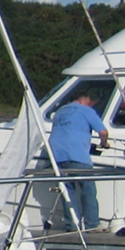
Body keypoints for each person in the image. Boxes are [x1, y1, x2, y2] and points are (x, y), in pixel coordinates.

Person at [48, 91, 107, 230]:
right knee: (88, 190)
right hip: (77, 155)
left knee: (67, 191)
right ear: (84, 99)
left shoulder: (60, 112)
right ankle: (92, 224)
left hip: (57, 156)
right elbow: (103, 132)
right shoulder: (86, 110)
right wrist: (105, 143)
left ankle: (72, 224)